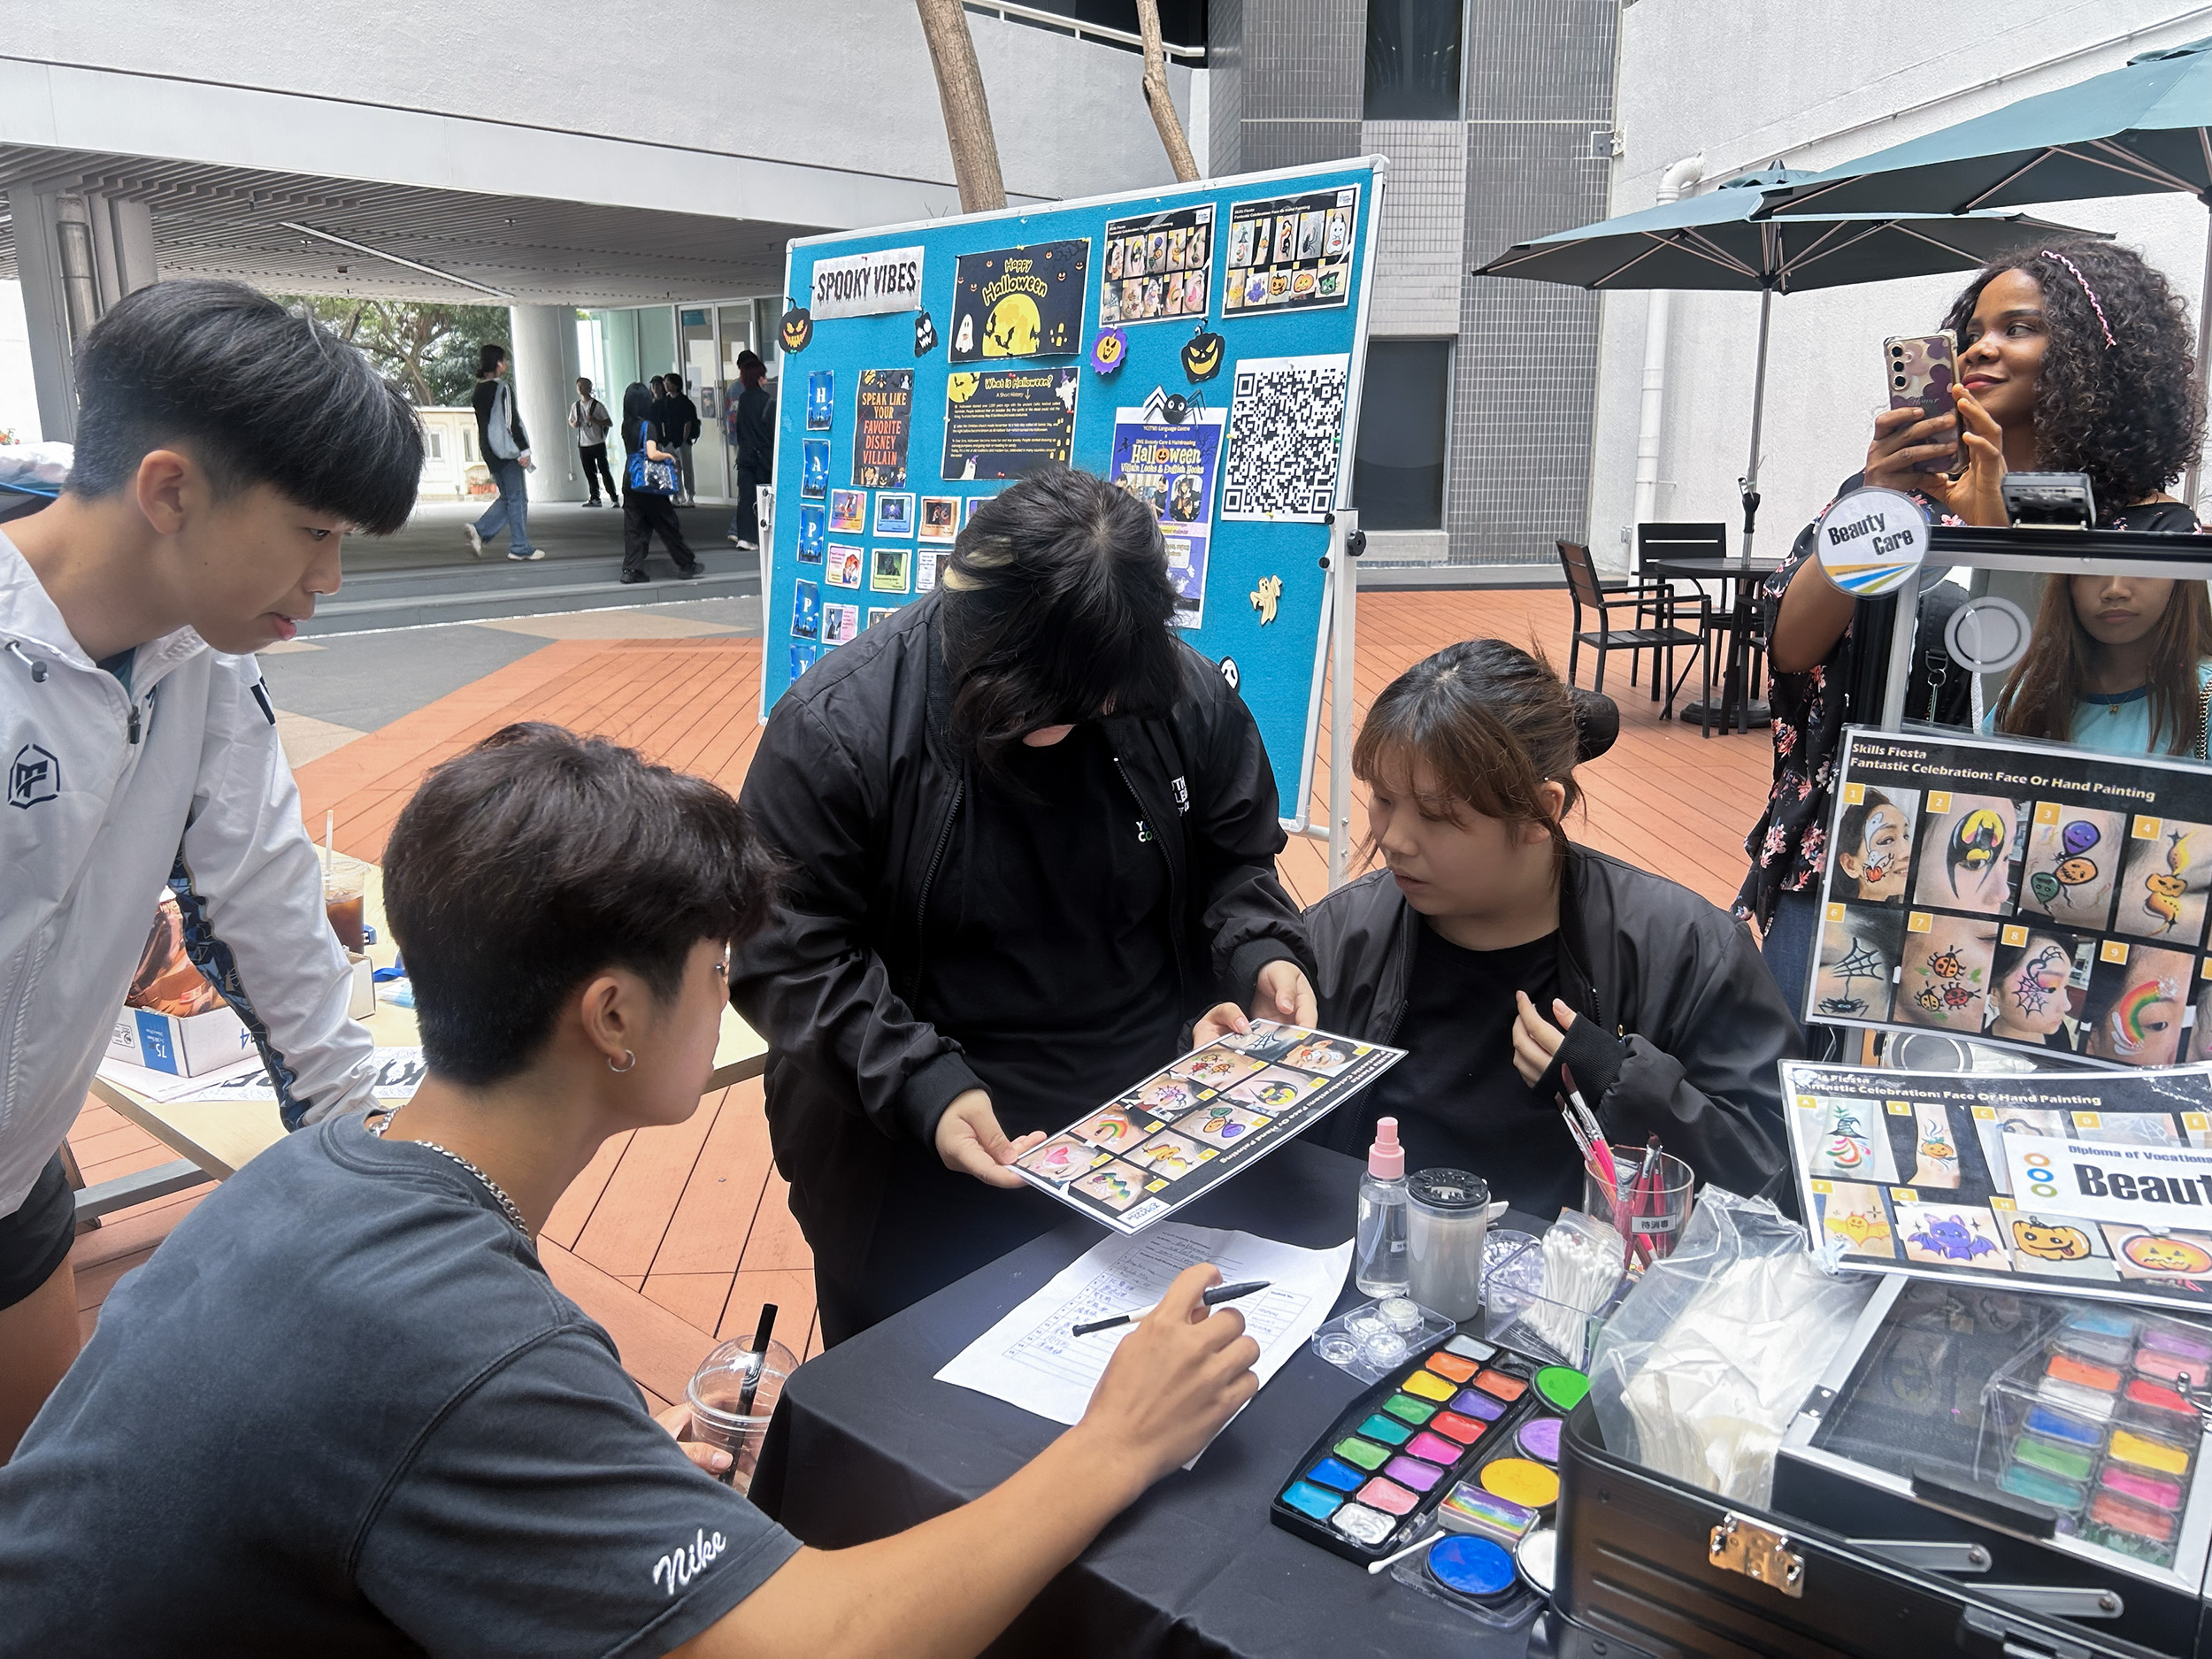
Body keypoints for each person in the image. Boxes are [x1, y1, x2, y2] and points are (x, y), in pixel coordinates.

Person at [0, 725, 1263, 1653]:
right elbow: (820, 1644)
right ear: (612, 1014)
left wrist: (586, 1485)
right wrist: (1117, 1442)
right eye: (716, 969)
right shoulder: (471, 1346)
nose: (729, 997)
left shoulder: (307, 1177)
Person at [731, 465, 1315, 1345]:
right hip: (920, 1160)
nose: (1094, 712)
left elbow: (1236, 858)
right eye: (1057, 699)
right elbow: (785, 949)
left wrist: (1260, 950)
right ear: (982, 647)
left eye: (1107, 696)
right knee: (911, 1408)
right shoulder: (840, 729)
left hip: (1147, 1140)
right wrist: (920, 1083)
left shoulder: (1173, 692)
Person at [0, 278, 418, 1456]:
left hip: (17, 1180)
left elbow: (267, 903)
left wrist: (368, 1157)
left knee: (38, 1500)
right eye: (315, 532)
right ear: (171, 490)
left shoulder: (205, 662)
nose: (328, 581)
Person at [1740, 240, 2204, 1020]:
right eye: (1973, 331)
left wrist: (2005, 536)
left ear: (2098, 357)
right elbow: (1791, 645)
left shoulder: (2148, 532)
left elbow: (2112, 694)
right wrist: (1878, 500)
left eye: (2019, 327)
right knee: (1801, 1074)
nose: (1983, 348)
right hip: (1859, 856)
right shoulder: (1893, 493)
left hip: (2043, 885)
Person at [1296, 640, 1793, 1216]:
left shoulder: (1687, 951)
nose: (1394, 839)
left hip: (1584, 1270)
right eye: (1383, 798)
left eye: (1435, 814)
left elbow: (1772, 1166)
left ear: (1541, 810)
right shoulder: (1337, 938)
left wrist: (1620, 1083)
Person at [1986, 570, 2212, 756]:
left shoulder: (2204, 699)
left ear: (2179, 579)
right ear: (2067, 581)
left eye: (2141, 565)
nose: (2115, 590)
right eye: (2092, 568)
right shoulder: (2032, 693)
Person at [619, 381, 701, 584]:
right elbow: (651, 453)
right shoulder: (648, 426)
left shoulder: (626, 425)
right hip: (649, 482)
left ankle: (632, 569)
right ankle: (686, 563)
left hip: (630, 478)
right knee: (667, 523)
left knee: (633, 527)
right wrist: (669, 457)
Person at [465, 343, 541, 561]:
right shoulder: (502, 388)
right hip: (506, 450)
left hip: (488, 449)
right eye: (504, 360)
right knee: (518, 499)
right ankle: (519, 547)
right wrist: (524, 450)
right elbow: (511, 422)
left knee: (508, 497)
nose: (505, 364)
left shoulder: (479, 389)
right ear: (498, 362)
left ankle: (480, 531)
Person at [727, 350, 774, 550]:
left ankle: (744, 538)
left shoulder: (743, 399)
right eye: (763, 376)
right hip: (763, 458)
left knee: (746, 498)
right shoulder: (767, 400)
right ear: (758, 378)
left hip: (745, 457)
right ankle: (764, 536)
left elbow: (740, 429)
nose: (766, 380)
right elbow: (771, 430)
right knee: (766, 497)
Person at [568, 375, 618, 508]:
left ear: (589, 388)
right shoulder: (575, 406)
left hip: (597, 442)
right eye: (578, 386)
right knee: (589, 472)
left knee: (604, 471)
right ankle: (595, 497)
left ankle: (614, 497)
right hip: (583, 444)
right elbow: (571, 421)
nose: (580, 388)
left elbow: (609, 422)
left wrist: (594, 420)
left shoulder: (597, 405)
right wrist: (574, 424)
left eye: (583, 386)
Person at [664, 373, 703, 506]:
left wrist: (684, 439)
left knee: (686, 469)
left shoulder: (684, 402)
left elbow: (688, 422)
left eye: (668, 382)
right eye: (665, 382)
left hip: (682, 442)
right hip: (670, 441)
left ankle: (690, 496)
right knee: (674, 469)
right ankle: (677, 495)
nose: (666, 385)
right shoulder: (666, 401)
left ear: (676, 384)